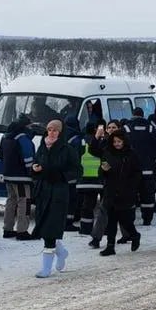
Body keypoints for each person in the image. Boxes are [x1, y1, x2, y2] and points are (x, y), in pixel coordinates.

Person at [31, 120, 82, 278]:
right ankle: (62, 253)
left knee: (51, 230)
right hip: (42, 192)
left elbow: (77, 170)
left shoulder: (67, 149)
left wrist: (60, 176)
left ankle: (46, 269)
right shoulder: (42, 147)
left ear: (60, 132)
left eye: (54, 130)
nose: (51, 133)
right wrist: (35, 169)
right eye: (49, 130)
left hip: (58, 193)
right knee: (45, 230)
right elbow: (37, 164)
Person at [96, 130, 142, 256]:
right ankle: (110, 246)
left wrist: (132, 186)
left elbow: (138, 172)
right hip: (111, 191)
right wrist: (104, 171)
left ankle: (134, 235)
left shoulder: (131, 154)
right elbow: (102, 170)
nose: (116, 144)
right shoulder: (108, 153)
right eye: (114, 142)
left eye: (119, 142)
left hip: (126, 192)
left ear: (124, 141)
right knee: (111, 220)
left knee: (125, 219)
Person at [0, 115, 37, 240]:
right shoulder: (23, 138)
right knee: (24, 202)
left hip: (8, 175)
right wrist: (32, 172)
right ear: (25, 126)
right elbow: (28, 158)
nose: (32, 128)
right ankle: (22, 231)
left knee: (11, 201)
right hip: (22, 177)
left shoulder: (5, 137)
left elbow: (0, 155)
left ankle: (7, 229)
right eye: (30, 125)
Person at [124, 108, 156, 226]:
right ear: (143, 115)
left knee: (131, 196)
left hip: (132, 170)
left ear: (132, 115)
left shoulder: (127, 128)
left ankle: (130, 219)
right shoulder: (150, 128)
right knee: (147, 196)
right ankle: (147, 219)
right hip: (148, 168)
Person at [76, 121, 105, 237]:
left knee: (87, 206)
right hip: (100, 178)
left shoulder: (80, 141)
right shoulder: (100, 141)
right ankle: (106, 228)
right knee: (105, 207)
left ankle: (85, 228)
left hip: (85, 179)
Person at [63, 115, 85, 232]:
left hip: (61, 173)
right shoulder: (76, 139)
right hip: (72, 173)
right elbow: (78, 157)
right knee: (72, 199)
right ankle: (68, 222)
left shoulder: (60, 136)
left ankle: (63, 220)